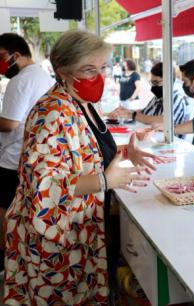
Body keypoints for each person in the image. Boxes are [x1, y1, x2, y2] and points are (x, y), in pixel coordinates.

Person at [3, 30, 157, 305]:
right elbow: (41, 185)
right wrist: (103, 181)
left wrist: (122, 152)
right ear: (62, 70)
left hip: (80, 229)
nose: (98, 77)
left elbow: (80, 152)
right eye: (88, 69)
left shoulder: (82, 103)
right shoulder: (53, 112)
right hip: (55, 239)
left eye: (102, 68)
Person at [0, 33, 55, 271]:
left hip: (12, 158)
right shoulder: (42, 75)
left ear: (16, 54)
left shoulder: (20, 80)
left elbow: (10, 123)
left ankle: (7, 261)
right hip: (31, 155)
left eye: (1, 56)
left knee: (6, 212)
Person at [109, 62, 190, 137]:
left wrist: (132, 115)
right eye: (152, 82)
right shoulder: (158, 97)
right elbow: (144, 112)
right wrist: (125, 111)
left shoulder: (176, 97)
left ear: (168, 81)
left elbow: (164, 119)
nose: (153, 86)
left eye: (156, 82)